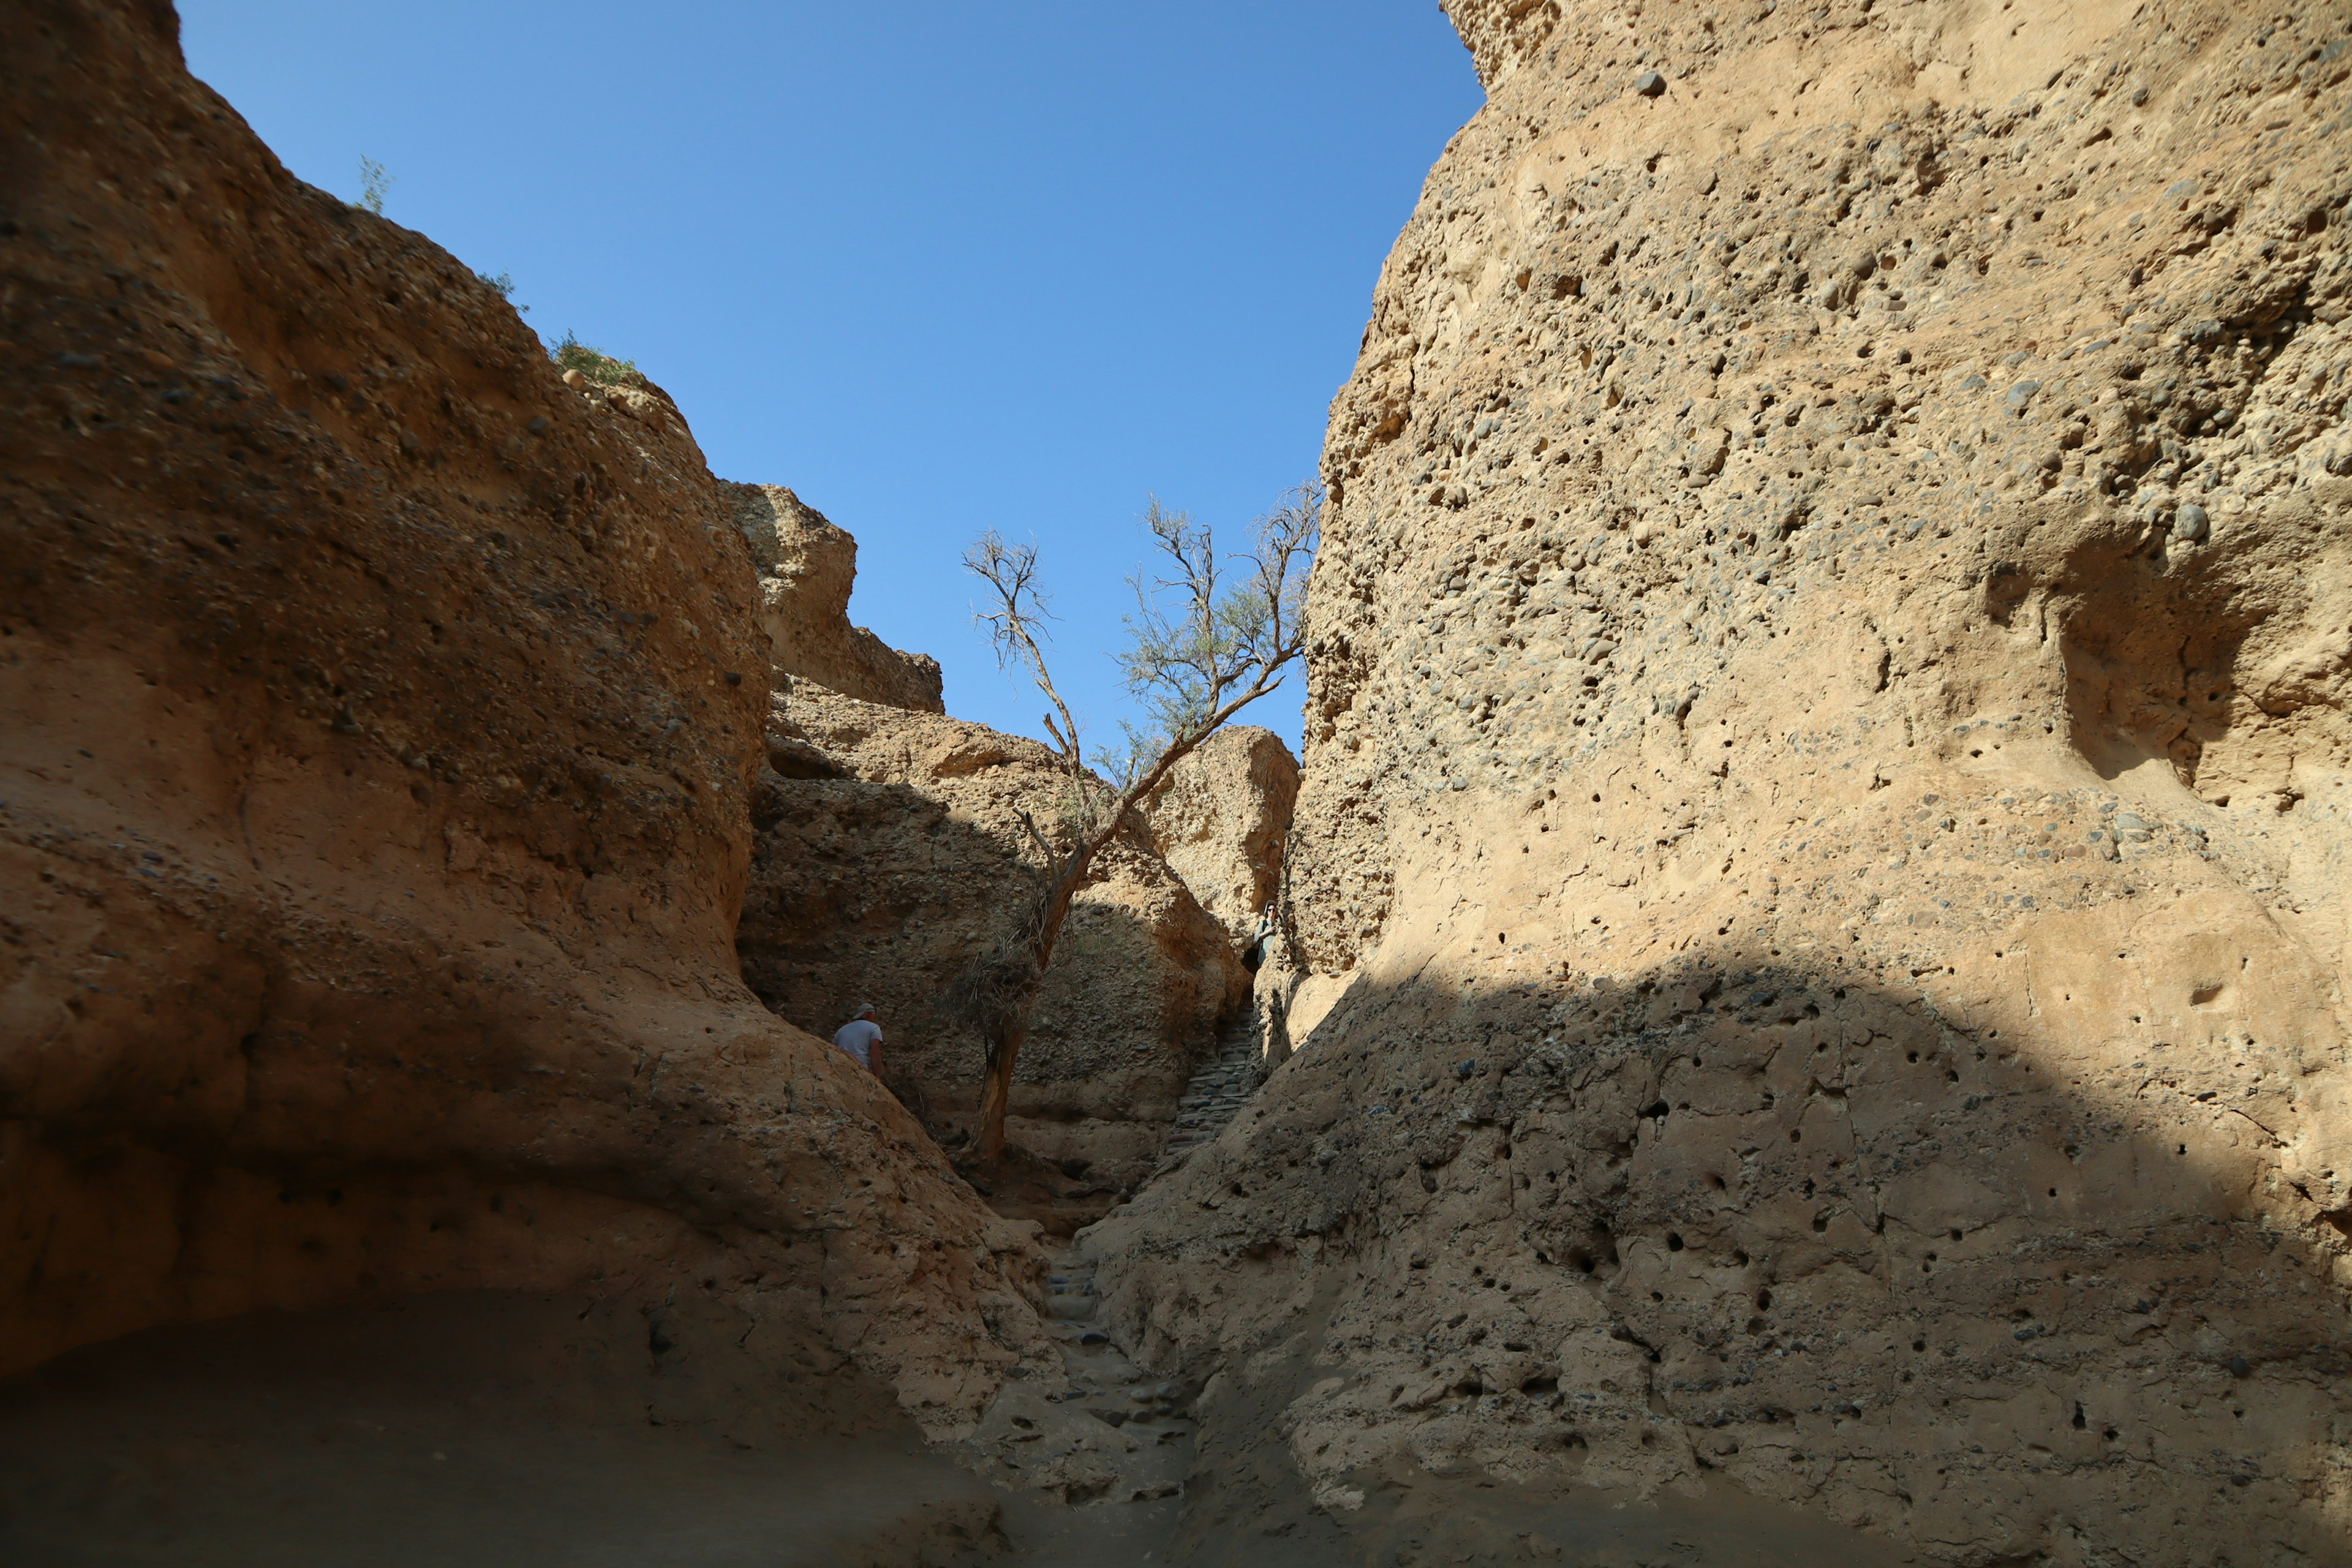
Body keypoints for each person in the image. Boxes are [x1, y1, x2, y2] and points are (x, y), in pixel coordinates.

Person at [833, 1003, 884, 1077]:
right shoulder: (874, 1028)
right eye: (874, 1015)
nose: (875, 1018)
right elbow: (874, 1052)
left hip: (841, 1067)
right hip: (860, 1068)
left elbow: (833, 1049)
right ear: (868, 1014)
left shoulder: (842, 1030)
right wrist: (877, 1076)